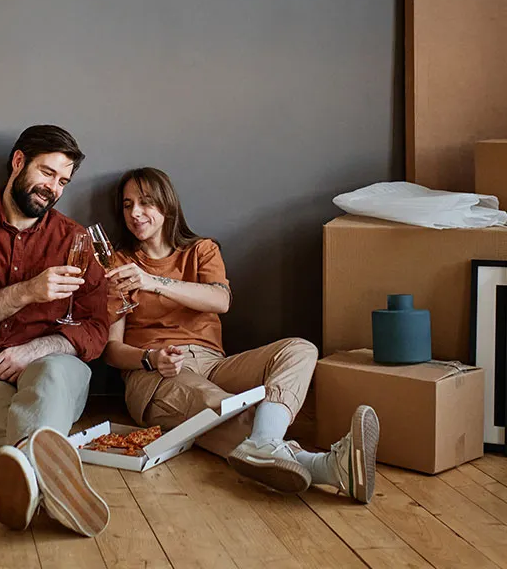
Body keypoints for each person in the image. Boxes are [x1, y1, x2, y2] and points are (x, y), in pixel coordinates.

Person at [103, 167, 380, 501]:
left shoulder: (202, 250)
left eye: (145, 202)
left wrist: (153, 283)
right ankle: (324, 467)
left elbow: (220, 300)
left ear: (167, 205)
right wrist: (150, 358)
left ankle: (264, 443)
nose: (135, 213)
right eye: (127, 204)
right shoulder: (118, 263)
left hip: (214, 363)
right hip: (153, 375)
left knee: (300, 349)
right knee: (216, 406)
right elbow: (112, 349)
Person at [0, 125, 111, 537]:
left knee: (50, 376)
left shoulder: (75, 239)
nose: (54, 189)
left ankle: (27, 477)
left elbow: (97, 327)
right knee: (36, 429)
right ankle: (45, 475)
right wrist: (27, 291)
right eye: (47, 173)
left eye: (63, 181)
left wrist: (37, 349)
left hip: (54, 368)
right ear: (18, 162)